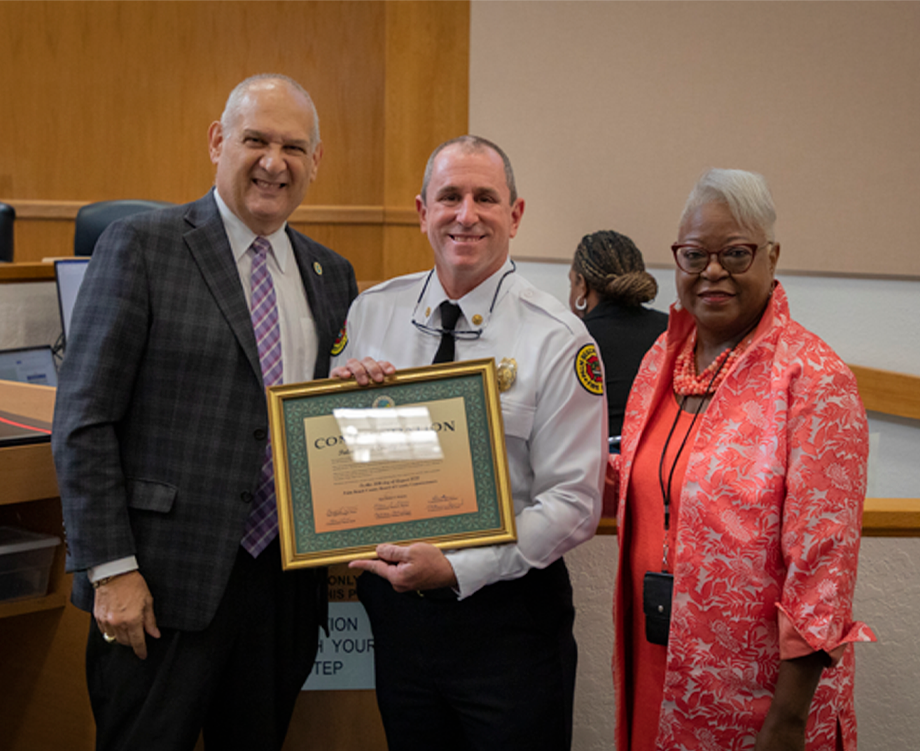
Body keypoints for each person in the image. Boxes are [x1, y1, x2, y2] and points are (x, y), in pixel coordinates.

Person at [51, 74, 358, 751]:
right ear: (219, 141)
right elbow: (83, 420)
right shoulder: (143, 246)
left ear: (316, 161)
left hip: (281, 587)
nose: (274, 162)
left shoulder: (330, 274)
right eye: (256, 140)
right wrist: (110, 568)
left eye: (293, 147)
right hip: (159, 585)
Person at [330, 135, 606, 751]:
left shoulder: (559, 338)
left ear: (515, 214)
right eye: (449, 196)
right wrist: (339, 410)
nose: (466, 214)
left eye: (486, 198)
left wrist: (457, 569)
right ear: (421, 209)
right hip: (398, 623)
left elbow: (574, 503)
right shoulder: (371, 312)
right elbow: (340, 465)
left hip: (508, 625)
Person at [612, 168, 875, 750]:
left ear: (773, 256)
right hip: (657, 668)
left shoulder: (813, 379)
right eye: (694, 253)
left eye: (735, 252)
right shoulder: (665, 356)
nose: (712, 271)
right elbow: (644, 474)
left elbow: (823, 574)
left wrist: (785, 725)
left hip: (756, 699)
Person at [569, 230, 668, 441]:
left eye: (571, 283)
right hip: (663, 464)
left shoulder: (572, 339)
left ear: (582, 284)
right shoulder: (672, 332)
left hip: (596, 468)